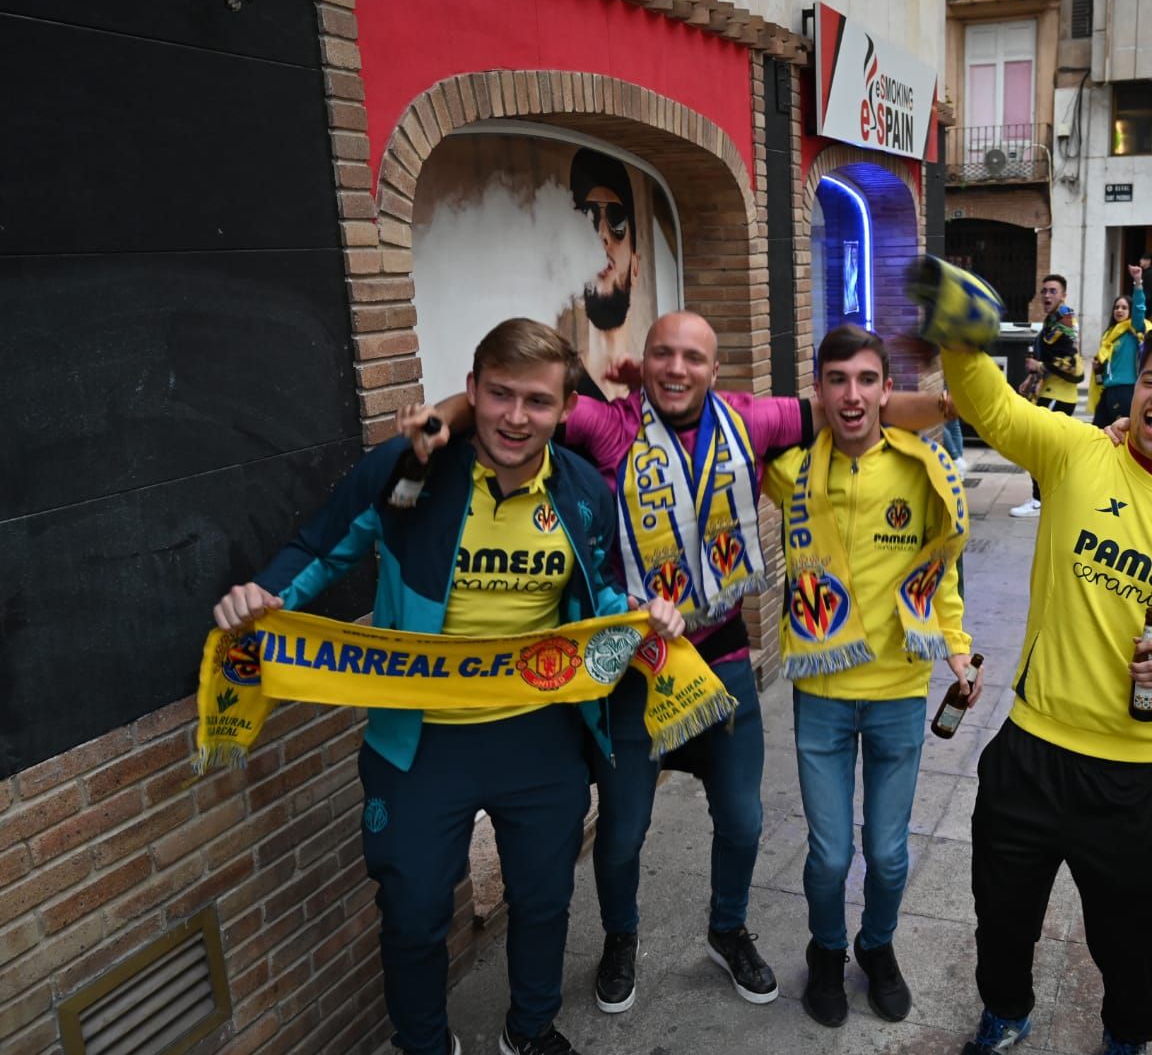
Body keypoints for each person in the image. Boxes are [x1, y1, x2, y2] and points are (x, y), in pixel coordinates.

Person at [404, 311, 953, 1016]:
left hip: (720, 660)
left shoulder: (751, 420)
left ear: (713, 368)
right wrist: (442, 413)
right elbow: (506, 407)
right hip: (637, 667)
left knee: (745, 819)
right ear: (646, 360)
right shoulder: (606, 425)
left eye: (693, 356)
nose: (676, 368)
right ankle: (621, 938)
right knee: (625, 828)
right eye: (663, 353)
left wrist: (951, 403)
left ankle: (728, 929)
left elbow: (851, 403)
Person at [212, 319, 687, 1055]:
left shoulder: (585, 489)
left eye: (536, 401)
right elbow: (320, 547)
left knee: (543, 897)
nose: (515, 416)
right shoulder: (412, 475)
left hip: (540, 732)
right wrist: (262, 595)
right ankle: (423, 1042)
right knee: (412, 907)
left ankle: (529, 1029)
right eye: (499, 394)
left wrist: (643, 614)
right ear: (472, 392)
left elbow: (599, 598)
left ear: (564, 411)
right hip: (420, 737)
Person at [916, 258, 1152, 1055]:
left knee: (1135, 940)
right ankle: (1005, 1010)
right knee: (1002, 914)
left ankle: (1127, 1034)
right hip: (1032, 751)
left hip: (1139, 774)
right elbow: (991, 404)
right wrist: (959, 337)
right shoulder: (1078, 453)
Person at [764, 325, 980, 1028]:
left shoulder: (923, 468)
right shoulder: (791, 468)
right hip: (822, 695)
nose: (851, 395)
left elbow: (937, 569)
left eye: (866, 380)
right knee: (829, 855)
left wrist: (956, 645)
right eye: (836, 380)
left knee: (888, 856)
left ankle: (876, 944)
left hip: (897, 691)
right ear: (817, 390)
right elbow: (723, 426)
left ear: (888, 390)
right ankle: (827, 950)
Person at [570, 148, 642, 398]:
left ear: (635, 265)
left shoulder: (657, 385)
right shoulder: (562, 388)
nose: (602, 234)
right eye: (588, 219)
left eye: (617, 221)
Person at [1012, 273, 1082, 518]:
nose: (1047, 295)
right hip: (1050, 392)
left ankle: (1040, 499)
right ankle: (1052, 496)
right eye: (1044, 291)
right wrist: (1032, 378)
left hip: (1058, 396)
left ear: (1063, 295)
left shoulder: (1064, 320)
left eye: (1053, 291)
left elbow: (1069, 361)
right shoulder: (1053, 321)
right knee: (1046, 447)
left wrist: (1038, 368)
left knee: (1040, 447)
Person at [1088, 265, 1151, 429]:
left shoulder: (1133, 329)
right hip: (1108, 390)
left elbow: (1139, 309)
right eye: (1116, 307)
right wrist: (1097, 368)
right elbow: (1106, 368)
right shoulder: (1109, 335)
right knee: (1098, 432)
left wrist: (1138, 281)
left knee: (1122, 435)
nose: (1119, 310)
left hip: (1126, 390)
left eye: (1124, 307)